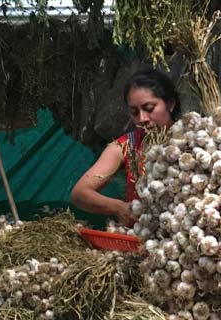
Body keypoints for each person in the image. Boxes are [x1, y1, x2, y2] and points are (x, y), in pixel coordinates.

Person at [70, 69, 179, 226]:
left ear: (171, 103)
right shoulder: (125, 146)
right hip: (142, 237)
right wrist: (119, 207)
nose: (142, 119)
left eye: (149, 108)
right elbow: (79, 193)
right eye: (134, 112)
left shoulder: (193, 140)